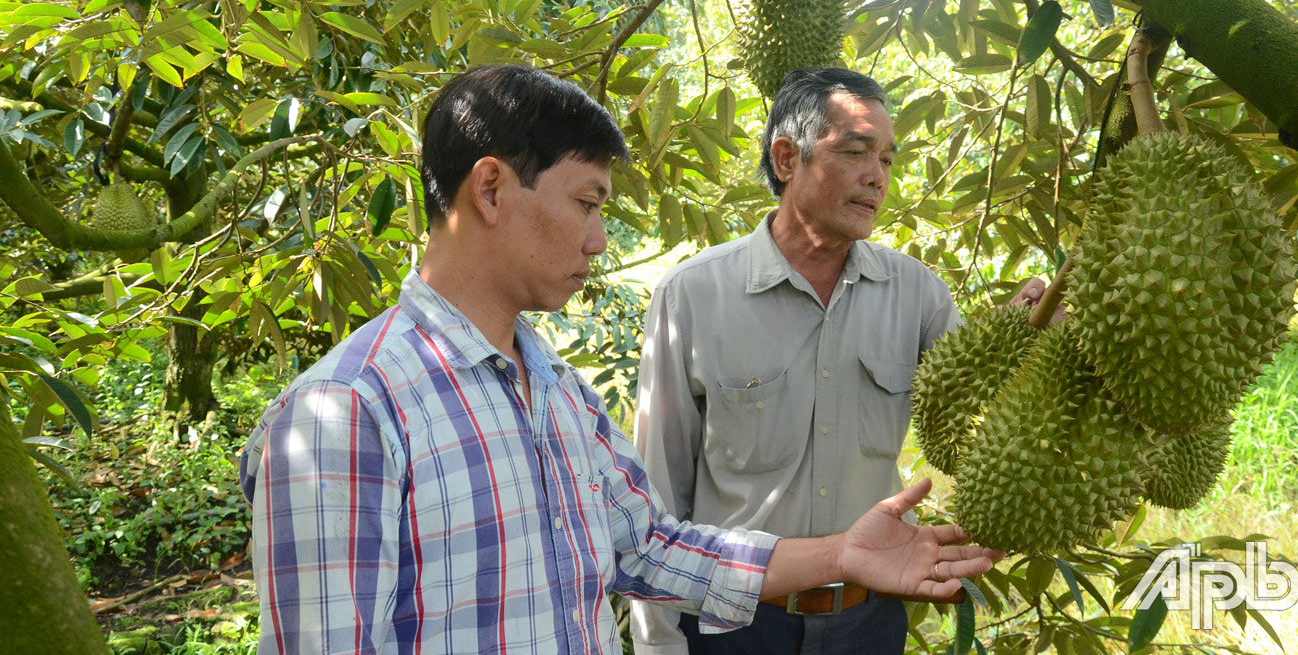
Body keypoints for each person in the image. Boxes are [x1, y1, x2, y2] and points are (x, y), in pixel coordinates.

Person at [239, 64, 1001, 655]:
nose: (600, 241)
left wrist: (842, 552)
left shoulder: (558, 395)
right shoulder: (346, 415)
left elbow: (651, 546)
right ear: (493, 190)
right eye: (587, 203)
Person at [631, 67, 1046, 655]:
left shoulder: (916, 294)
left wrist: (1029, 332)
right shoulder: (693, 295)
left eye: (887, 160)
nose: (876, 178)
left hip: (866, 619)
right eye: (855, 152)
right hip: (734, 621)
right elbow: (658, 493)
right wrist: (658, 645)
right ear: (785, 159)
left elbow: (984, 403)